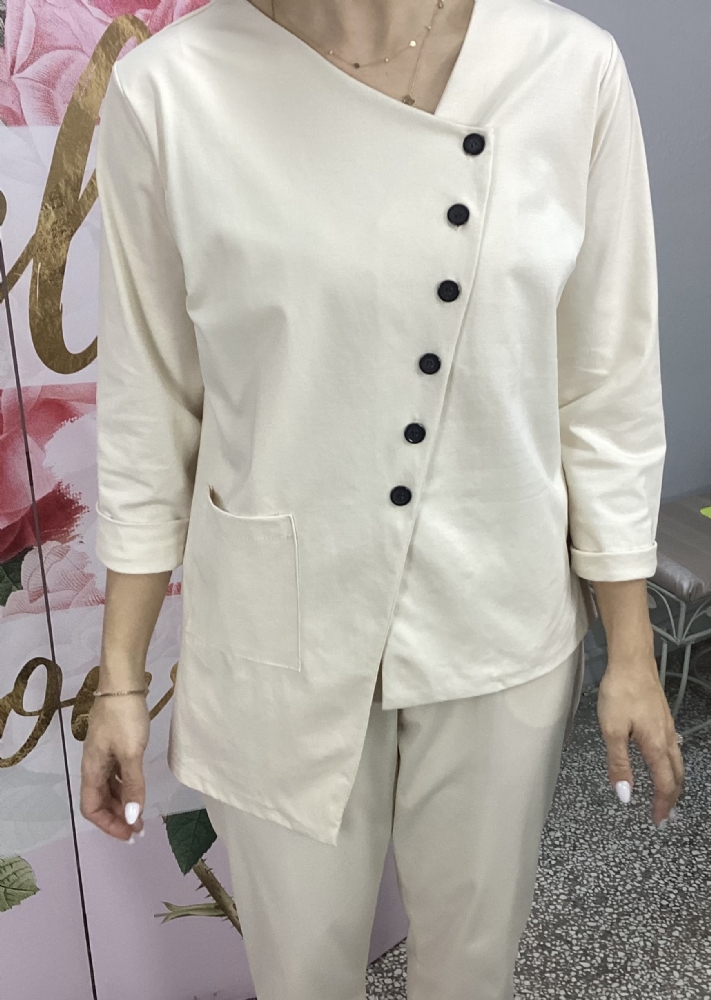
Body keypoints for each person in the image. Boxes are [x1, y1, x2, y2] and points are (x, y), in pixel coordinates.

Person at [81, 1, 685, 997]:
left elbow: (605, 386)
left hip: (498, 611)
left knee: (473, 968)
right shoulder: (169, 93)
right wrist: (120, 679)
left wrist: (631, 652)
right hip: (278, 625)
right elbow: (149, 409)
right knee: (299, 972)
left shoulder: (570, 69)